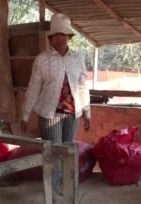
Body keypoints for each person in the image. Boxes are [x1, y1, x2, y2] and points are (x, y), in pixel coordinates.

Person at [20, 13, 91, 143]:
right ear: (51, 38)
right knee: (52, 153)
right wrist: (25, 116)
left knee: (67, 152)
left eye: (63, 34)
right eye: (56, 35)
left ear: (69, 37)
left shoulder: (77, 58)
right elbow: (33, 89)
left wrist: (87, 112)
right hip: (49, 114)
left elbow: (82, 86)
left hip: (72, 114)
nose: (59, 38)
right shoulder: (42, 59)